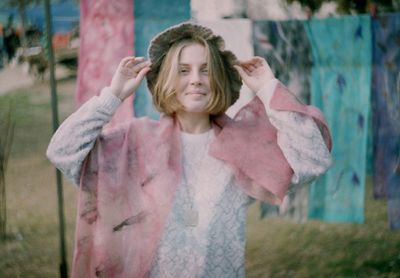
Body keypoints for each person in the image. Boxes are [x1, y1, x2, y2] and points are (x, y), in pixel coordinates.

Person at [47, 22, 332, 277]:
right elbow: (62, 151)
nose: (196, 79)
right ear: (167, 80)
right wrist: (113, 96)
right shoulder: (134, 144)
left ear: (219, 78)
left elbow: (312, 159)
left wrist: (269, 89)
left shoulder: (243, 147)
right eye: (183, 71)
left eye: (206, 70)